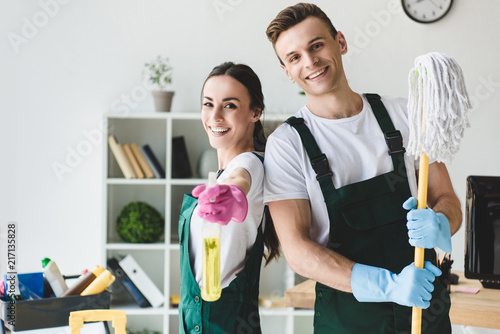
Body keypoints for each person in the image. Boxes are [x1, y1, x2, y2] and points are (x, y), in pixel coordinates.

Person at [263, 3, 462, 333]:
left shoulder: (405, 116)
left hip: (425, 310)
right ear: (287, 71)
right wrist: (389, 285)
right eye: (294, 57)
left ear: (340, 42)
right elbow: (297, 252)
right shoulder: (288, 144)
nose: (310, 62)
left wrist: (440, 222)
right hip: (347, 319)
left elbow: (448, 200)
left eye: (316, 45)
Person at [178, 62, 280, 334]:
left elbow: (242, 179)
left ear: (255, 112)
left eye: (230, 105)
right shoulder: (223, 173)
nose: (215, 116)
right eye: (208, 104)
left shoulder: (250, 164)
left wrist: (233, 193)